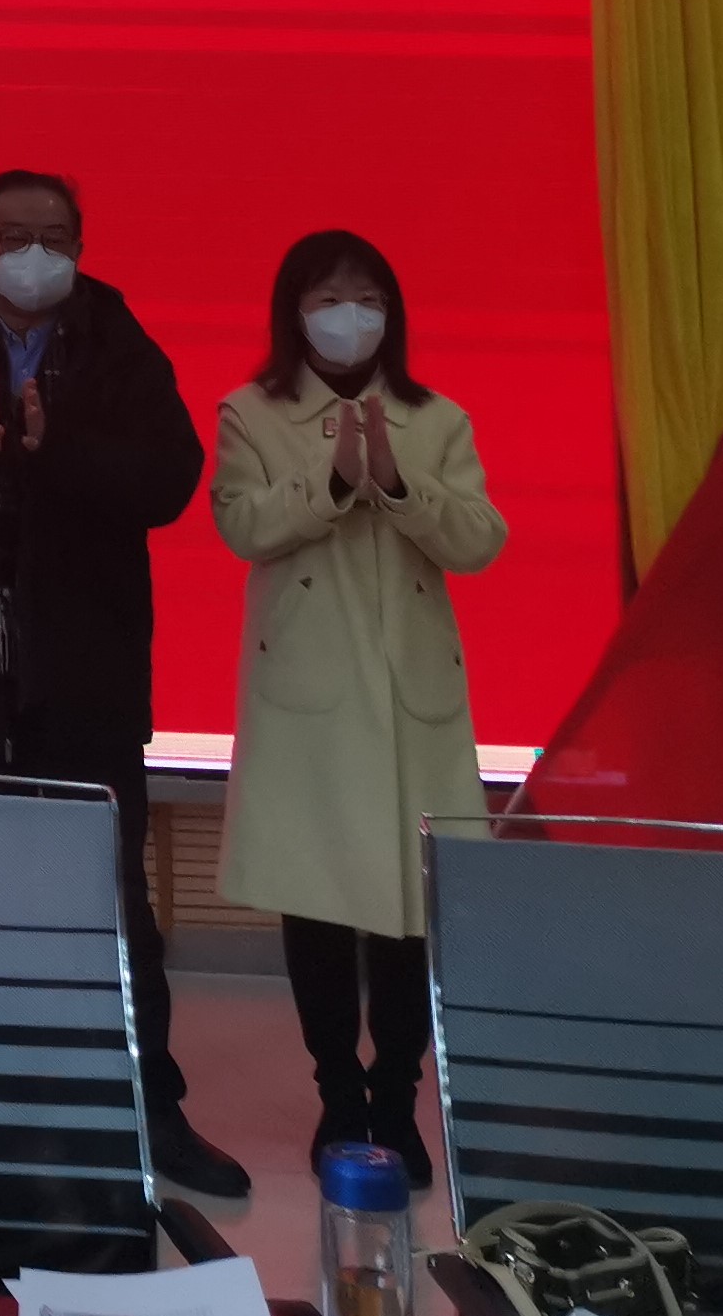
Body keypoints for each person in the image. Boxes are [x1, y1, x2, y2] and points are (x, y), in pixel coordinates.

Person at [0, 169, 251, 1197]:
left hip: (87, 670)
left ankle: (149, 1108)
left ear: (80, 243)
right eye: (14, 234)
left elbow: (170, 478)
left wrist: (54, 444)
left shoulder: (120, 344)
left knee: (113, 898)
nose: (36, 252)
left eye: (55, 235)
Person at [212, 230, 507, 1188]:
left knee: (411, 914)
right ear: (294, 312)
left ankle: (397, 1095)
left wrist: (403, 483)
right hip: (309, 699)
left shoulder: (436, 418)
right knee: (319, 906)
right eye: (330, 299)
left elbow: (479, 540)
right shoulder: (253, 413)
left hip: (412, 692)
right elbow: (241, 523)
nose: (351, 316)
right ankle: (339, 1094)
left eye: (369, 298)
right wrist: (335, 480)